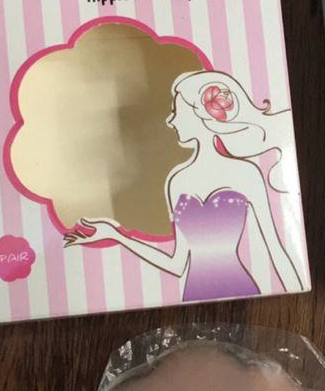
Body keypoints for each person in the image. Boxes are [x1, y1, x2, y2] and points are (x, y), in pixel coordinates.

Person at [64, 70, 304, 301]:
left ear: (201, 115)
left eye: (176, 111)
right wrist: (116, 235)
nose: (170, 120)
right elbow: (177, 264)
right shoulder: (178, 182)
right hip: (193, 293)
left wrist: (297, 292)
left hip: (241, 289)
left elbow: (276, 250)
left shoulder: (246, 174)